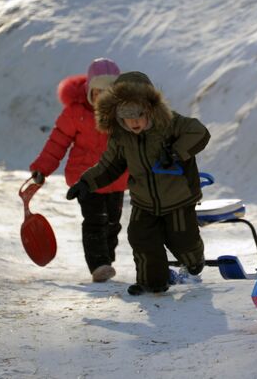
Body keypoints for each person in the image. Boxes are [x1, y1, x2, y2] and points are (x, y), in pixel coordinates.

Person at [66, 71, 210, 295]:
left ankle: (193, 259)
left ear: (150, 108)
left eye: (138, 114)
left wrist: (176, 152)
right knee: (141, 238)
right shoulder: (120, 137)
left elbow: (199, 133)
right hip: (144, 200)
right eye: (125, 115)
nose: (133, 121)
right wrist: (86, 183)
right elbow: (109, 165)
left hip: (178, 196)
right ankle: (152, 282)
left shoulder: (170, 123)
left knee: (182, 238)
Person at [29, 58, 127, 283]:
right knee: (95, 220)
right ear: (89, 91)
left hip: (117, 179)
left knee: (113, 222)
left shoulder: (125, 116)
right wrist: (42, 168)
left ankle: (106, 260)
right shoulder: (76, 113)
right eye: (98, 92)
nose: (103, 99)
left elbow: (141, 144)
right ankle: (98, 264)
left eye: (109, 94)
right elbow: (57, 142)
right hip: (86, 179)